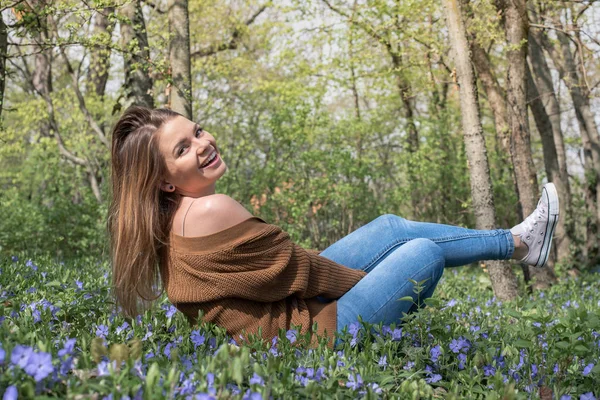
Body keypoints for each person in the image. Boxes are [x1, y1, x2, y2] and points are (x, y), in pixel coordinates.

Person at [108, 106, 560, 350]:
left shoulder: (169, 222)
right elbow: (302, 273)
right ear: (165, 180)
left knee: (389, 227)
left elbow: (281, 275)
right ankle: (517, 245)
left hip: (283, 319)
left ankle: (520, 243)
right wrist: (377, 284)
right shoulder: (212, 210)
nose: (204, 144)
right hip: (308, 343)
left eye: (199, 131)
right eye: (184, 148)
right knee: (421, 253)